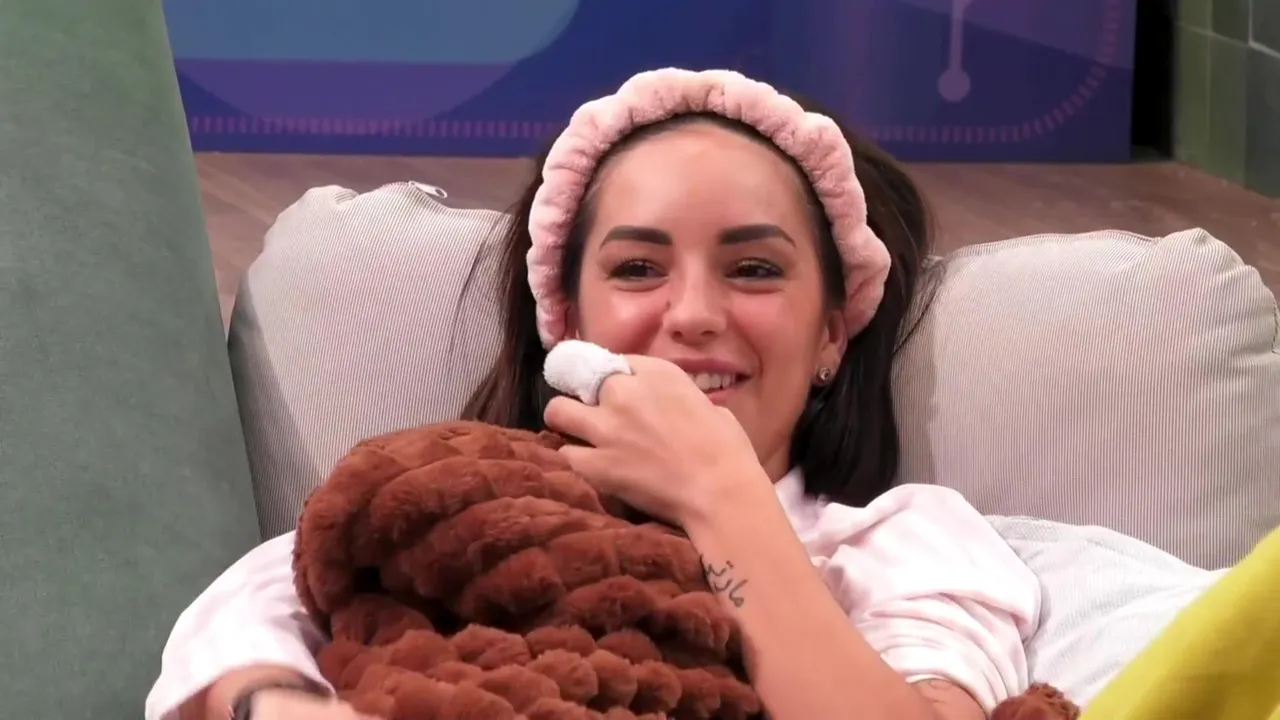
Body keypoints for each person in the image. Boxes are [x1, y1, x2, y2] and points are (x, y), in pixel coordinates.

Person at [146, 68, 1041, 720]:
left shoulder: (905, 541)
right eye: (639, 268)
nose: (694, 315)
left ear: (831, 335)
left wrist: (717, 492)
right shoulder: (455, 498)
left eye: (755, 269)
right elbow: (242, 625)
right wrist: (278, 701)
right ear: (565, 322)